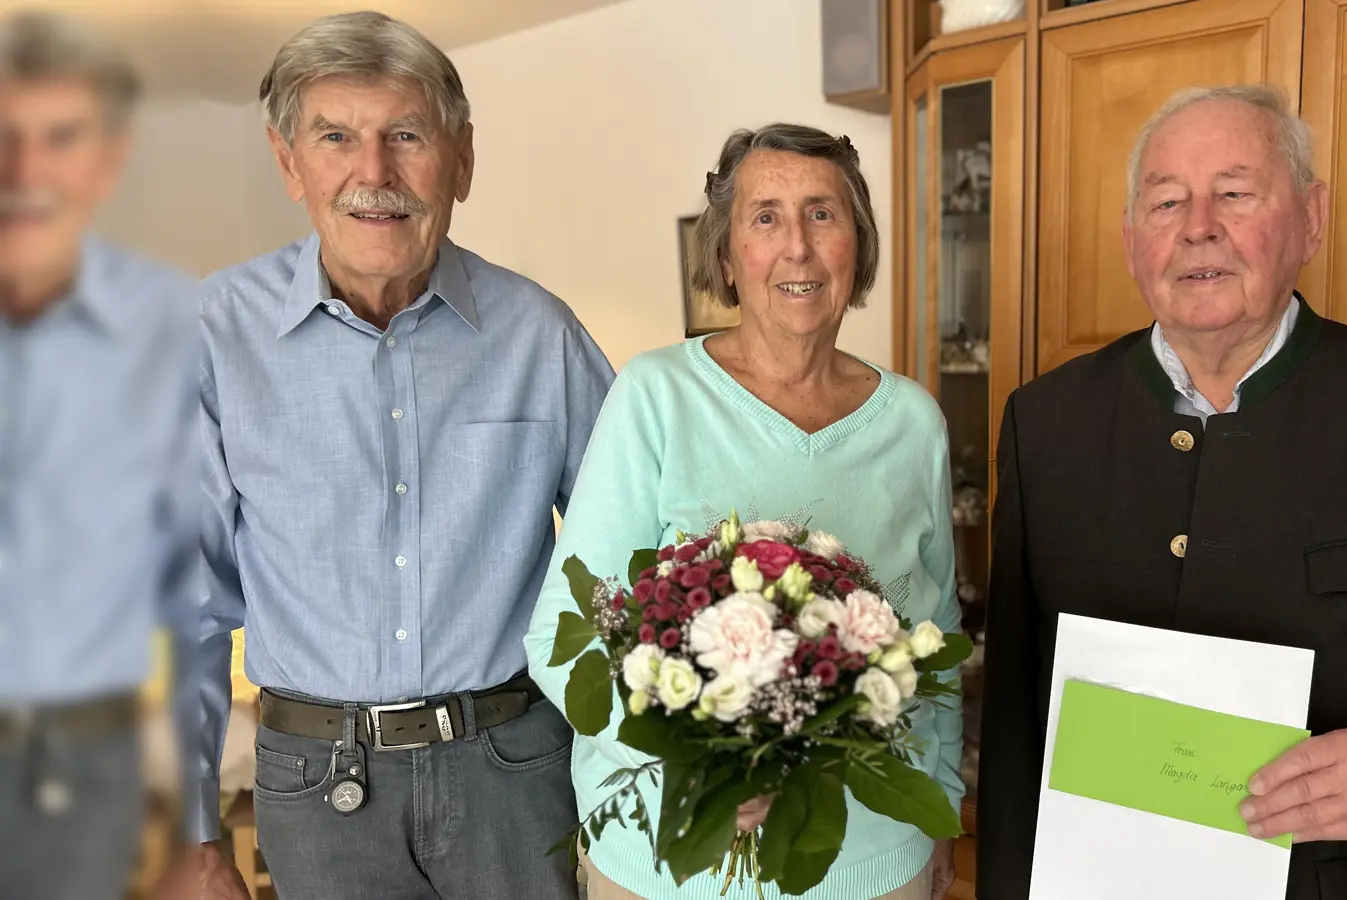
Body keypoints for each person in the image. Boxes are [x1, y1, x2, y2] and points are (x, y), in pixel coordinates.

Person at [187, 12, 612, 900]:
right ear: (287, 158)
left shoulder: (541, 334)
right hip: (315, 787)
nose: (372, 174)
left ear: (460, 158)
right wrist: (195, 834)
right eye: (335, 136)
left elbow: (632, 565)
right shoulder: (212, 336)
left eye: (405, 136)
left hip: (514, 770)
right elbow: (180, 605)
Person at [978, 85, 1347, 899]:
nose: (1197, 226)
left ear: (1312, 218)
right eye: (1166, 200)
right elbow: (1014, 721)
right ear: (1132, 240)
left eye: (1235, 194)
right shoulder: (1046, 424)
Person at [525, 123, 962, 900]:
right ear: (726, 258)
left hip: (870, 859)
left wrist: (944, 807)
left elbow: (938, 632)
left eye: (823, 214)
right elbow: (566, 624)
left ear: (856, 247)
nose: (797, 246)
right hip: (667, 862)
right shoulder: (655, 395)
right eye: (765, 217)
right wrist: (703, 760)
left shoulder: (913, 421)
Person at [0, 10, 197, 900]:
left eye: (60, 138)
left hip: (90, 765)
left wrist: (189, 832)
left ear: (108, 159)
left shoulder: (168, 327)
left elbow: (192, 584)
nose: (24, 170)